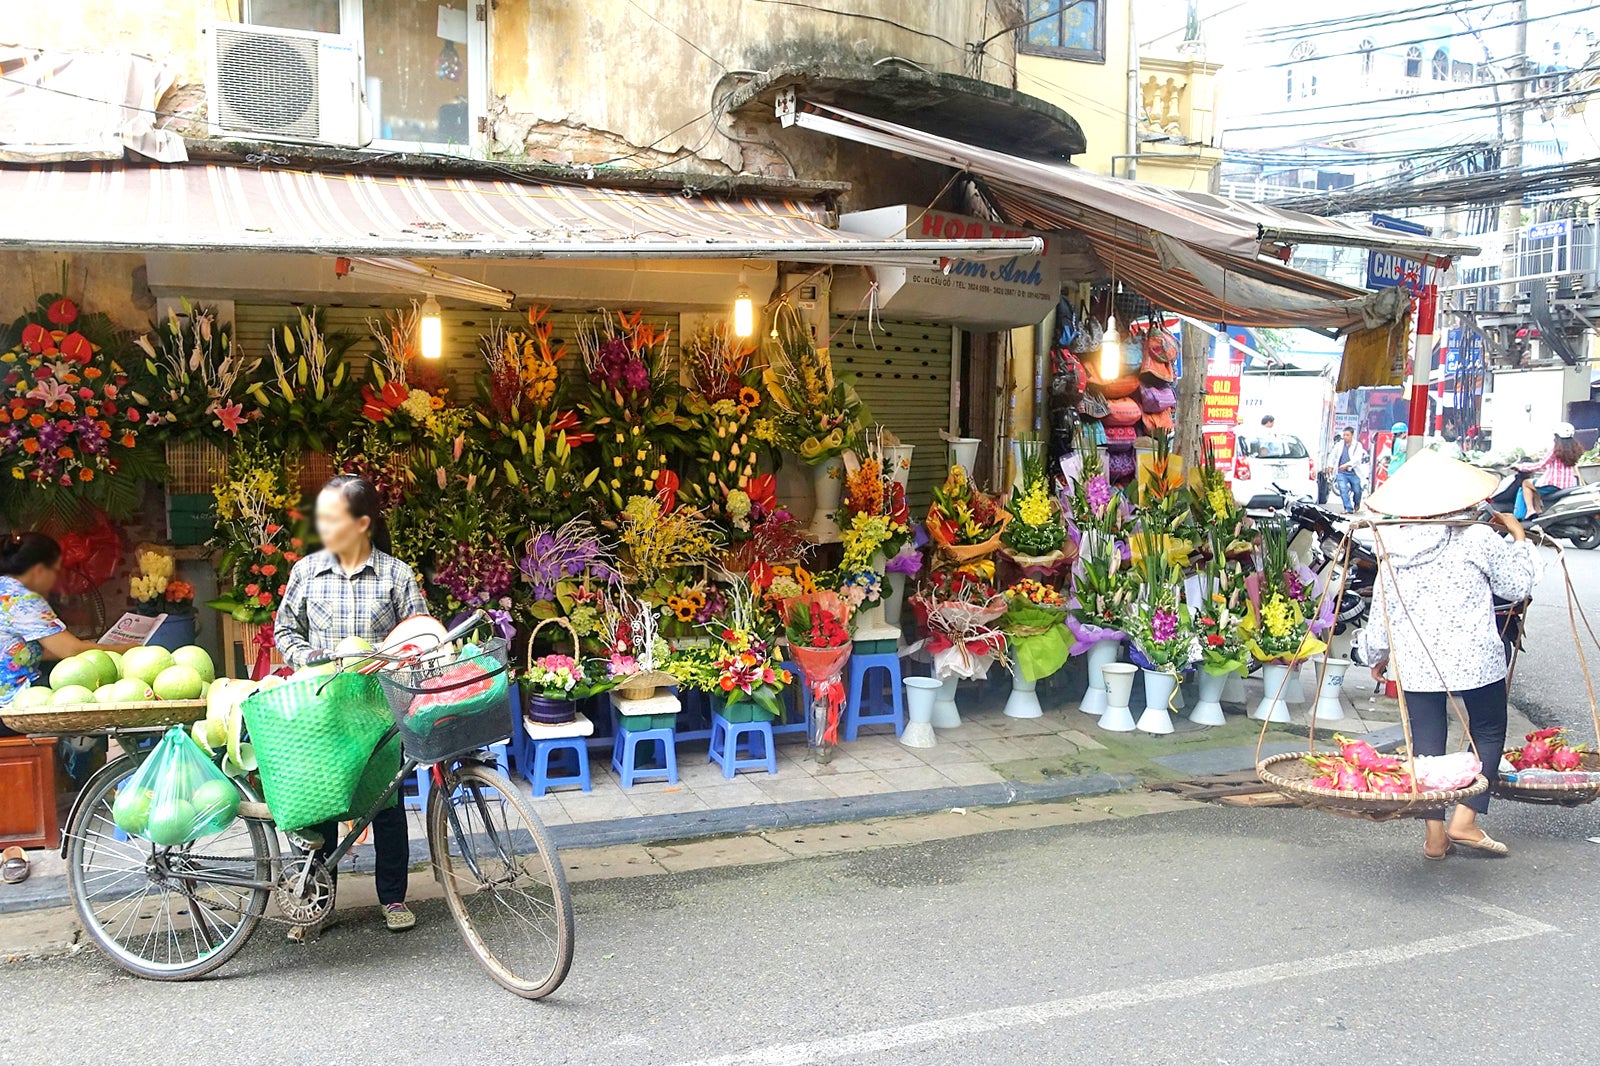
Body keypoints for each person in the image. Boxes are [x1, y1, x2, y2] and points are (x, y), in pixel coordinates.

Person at [1360, 451, 1540, 860]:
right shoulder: (1477, 537)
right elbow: (1517, 585)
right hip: (1474, 658)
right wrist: (1518, 538)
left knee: (1428, 745)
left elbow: (1381, 608)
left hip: (1418, 661)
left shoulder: (1393, 541)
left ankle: (1435, 835)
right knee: (1489, 730)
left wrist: (1377, 653)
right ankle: (1466, 819)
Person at [274, 476, 428, 938]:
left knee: (385, 806)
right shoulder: (306, 572)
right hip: (321, 709)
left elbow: (418, 639)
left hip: (378, 711)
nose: (321, 526)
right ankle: (316, 902)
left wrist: (386, 660)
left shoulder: (397, 575)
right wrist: (310, 657)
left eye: (332, 517)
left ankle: (393, 897)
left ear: (362, 523)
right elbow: (285, 632)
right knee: (319, 809)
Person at [1514, 422, 1582, 518]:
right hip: (1569, 485)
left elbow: (1540, 465)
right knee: (1535, 485)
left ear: (1557, 436)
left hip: (1553, 485)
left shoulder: (1556, 450)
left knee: (1526, 483)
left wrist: (1521, 467)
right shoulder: (1575, 449)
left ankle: (1530, 510)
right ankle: (1538, 510)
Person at [1332, 426, 1368, 511]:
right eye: (1344, 435)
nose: (1345, 437)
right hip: (1341, 472)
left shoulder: (1357, 445)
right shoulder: (1339, 445)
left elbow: (1357, 459)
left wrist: (1347, 465)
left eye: (1347, 435)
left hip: (1354, 472)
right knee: (1342, 489)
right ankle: (1348, 508)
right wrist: (1330, 466)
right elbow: (1333, 456)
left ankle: (1357, 502)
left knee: (1357, 491)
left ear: (1352, 435)